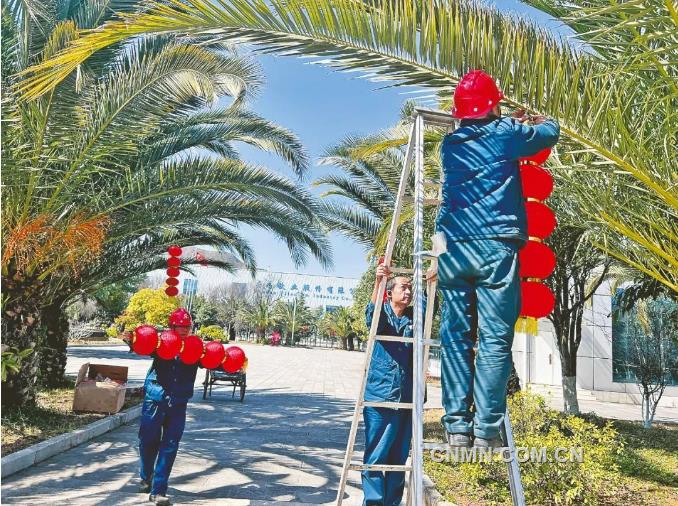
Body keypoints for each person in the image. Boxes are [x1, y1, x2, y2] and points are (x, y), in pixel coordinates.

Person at [435, 70, 560, 448]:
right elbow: (550, 133)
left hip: (452, 248)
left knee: (454, 338)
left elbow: (486, 135)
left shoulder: (449, 144)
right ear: (495, 104)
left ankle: (456, 427)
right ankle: (487, 431)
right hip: (494, 246)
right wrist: (537, 121)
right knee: (493, 339)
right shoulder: (507, 132)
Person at [362, 263, 427, 506]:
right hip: (380, 397)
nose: (408, 292)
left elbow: (429, 306)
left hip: (408, 400)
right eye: (403, 287)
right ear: (390, 293)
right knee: (377, 455)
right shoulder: (384, 316)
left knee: (399, 458)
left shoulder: (414, 319)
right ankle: (373, 502)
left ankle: (392, 503)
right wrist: (378, 282)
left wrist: (425, 274)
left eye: (410, 288)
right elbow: (372, 316)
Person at [128, 308, 200, 505]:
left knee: (170, 446)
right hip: (155, 398)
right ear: (172, 326)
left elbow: (212, 360)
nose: (184, 330)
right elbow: (143, 346)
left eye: (187, 326)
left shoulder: (195, 347)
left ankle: (159, 490)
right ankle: (146, 476)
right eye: (180, 326)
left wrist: (233, 362)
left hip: (179, 401)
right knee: (147, 440)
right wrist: (131, 339)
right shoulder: (161, 343)